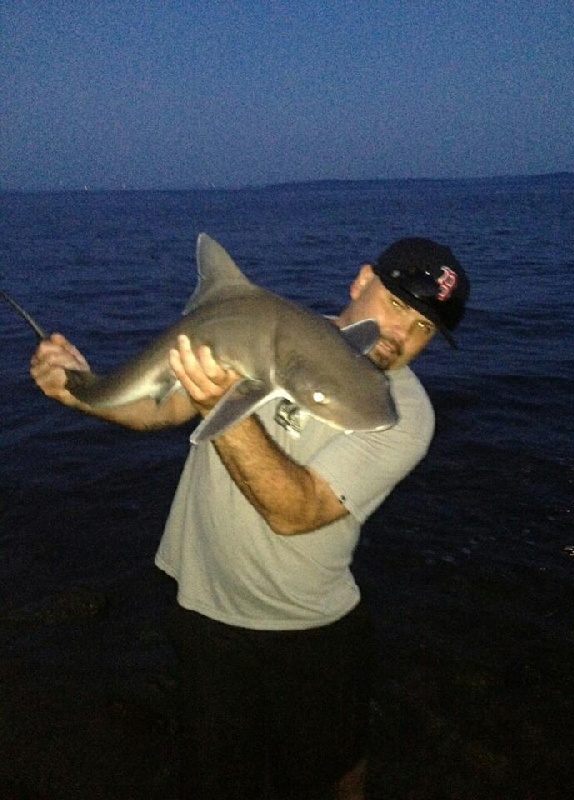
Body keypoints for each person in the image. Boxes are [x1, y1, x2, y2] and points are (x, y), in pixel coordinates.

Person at [30, 237, 470, 800]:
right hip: (203, 607)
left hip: (311, 626)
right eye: (398, 306)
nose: (403, 337)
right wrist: (78, 393)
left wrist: (223, 406)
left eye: (426, 329)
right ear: (361, 282)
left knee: (336, 773)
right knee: (216, 775)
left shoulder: (403, 414)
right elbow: (161, 409)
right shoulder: (255, 325)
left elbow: (296, 512)